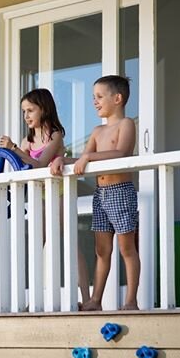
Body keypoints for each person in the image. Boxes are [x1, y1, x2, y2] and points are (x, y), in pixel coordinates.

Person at [50, 75, 139, 311]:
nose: (95, 101)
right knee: (102, 250)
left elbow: (122, 154)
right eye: (93, 97)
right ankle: (96, 300)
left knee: (126, 248)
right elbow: (81, 159)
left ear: (117, 98)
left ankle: (130, 300)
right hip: (101, 195)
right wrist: (61, 159)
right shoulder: (97, 130)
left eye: (99, 96)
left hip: (120, 191)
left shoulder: (126, 124)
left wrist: (89, 157)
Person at [0, 88, 91, 305]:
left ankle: (87, 299)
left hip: (59, 192)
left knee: (70, 242)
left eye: (30, 110)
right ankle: (34, 300)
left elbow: (41, 164)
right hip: (38, 196)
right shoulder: (26, 141)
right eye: (24, 112)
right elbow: (22, 168)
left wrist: (13, 148)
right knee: (37, 244)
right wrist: (13, 152)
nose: (27, 116)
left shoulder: (56, 135)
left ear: (44, 109)